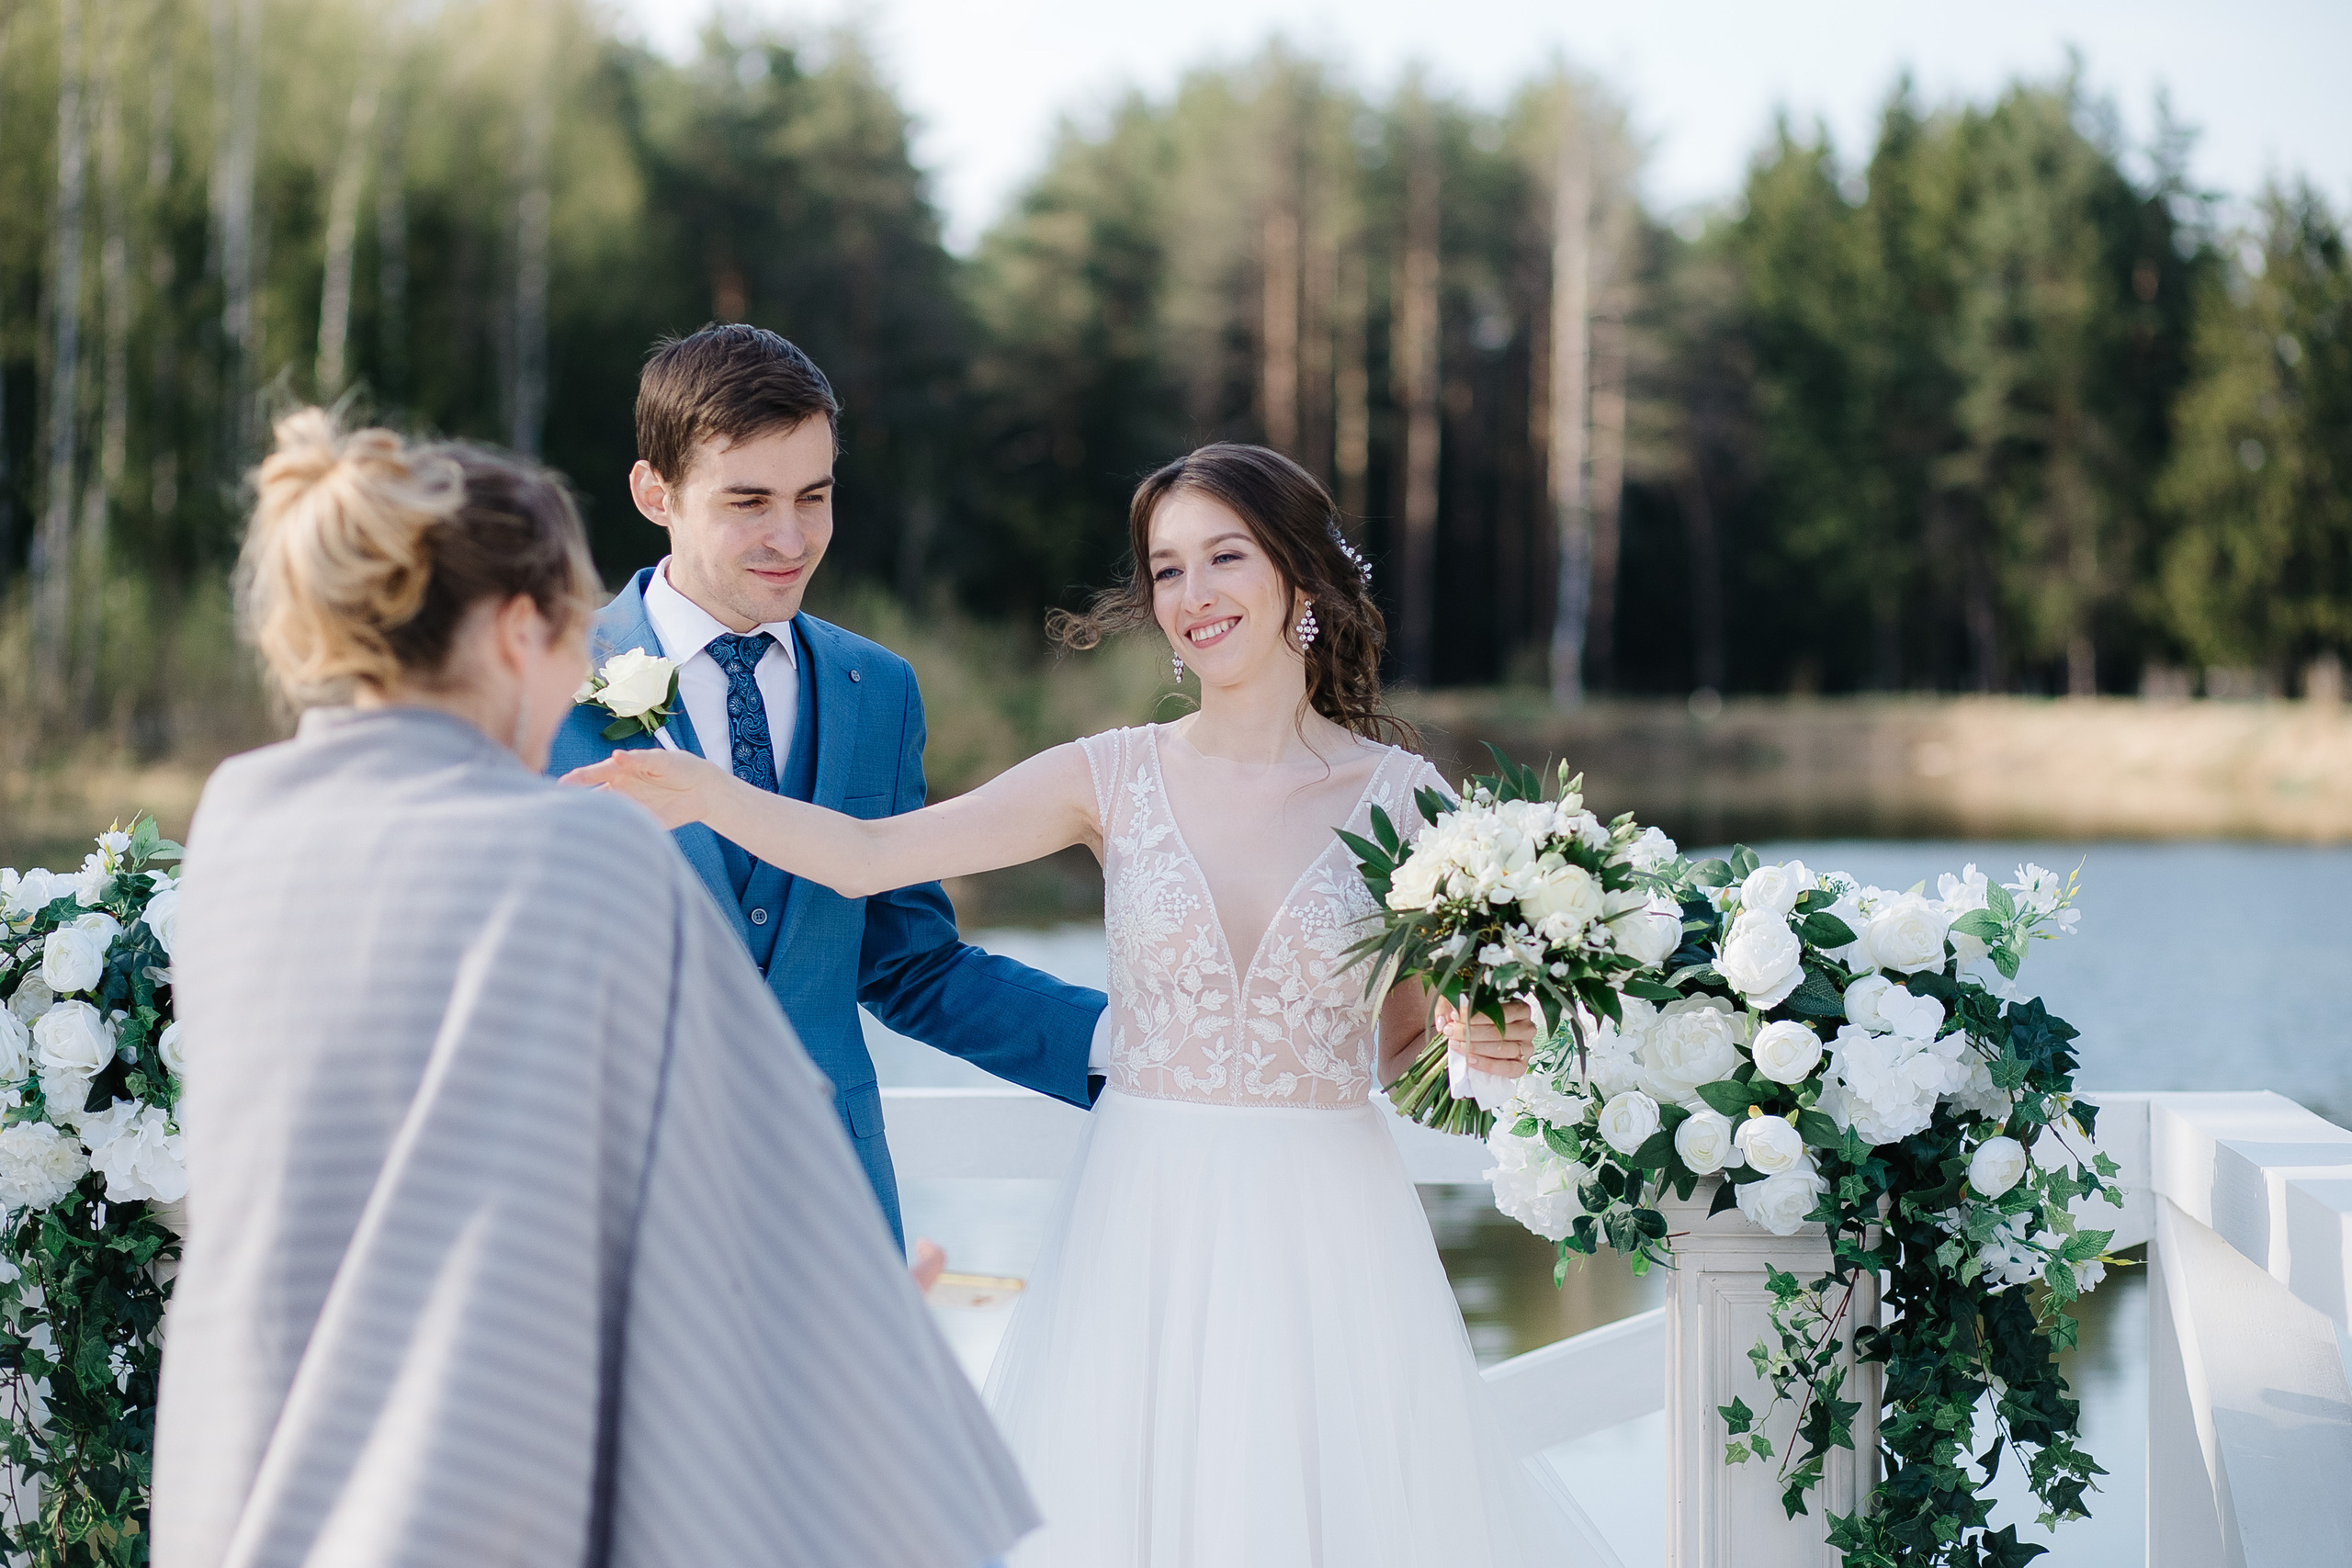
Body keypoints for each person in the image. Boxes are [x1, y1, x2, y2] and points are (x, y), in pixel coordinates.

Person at [570, 444, 1612, 1566]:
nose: (1193, 595)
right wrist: (707, 794)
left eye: (1224, 557)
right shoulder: (1106, 776)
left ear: (1300, 574)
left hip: (1332, 1233)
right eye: (1167, 569)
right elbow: (869, 858)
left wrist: (1483, 1039)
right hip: (1144, 1220)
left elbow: (1409, 1048)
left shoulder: (1410, 806)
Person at [153, 411, 1036, 1568]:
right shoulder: (584, 848)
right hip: (476, 1454)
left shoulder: (238, 822)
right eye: (571, 633)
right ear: (517, 631)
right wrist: (867, 1321)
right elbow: (743, 1143)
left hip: (250, 1441)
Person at [545, 324, 1128, 1258]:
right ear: (655, 493)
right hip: (602, 1212)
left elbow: (908, 963)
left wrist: (1132, 1045)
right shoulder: (538, 682)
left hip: (833, 1217)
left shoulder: (878, 690)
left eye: (813, 497)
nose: (791, 538)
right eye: (748, 502)